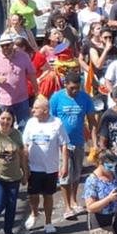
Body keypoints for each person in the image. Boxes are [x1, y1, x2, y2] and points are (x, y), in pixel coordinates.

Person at [48, 71, 95, 220]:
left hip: (79, 142)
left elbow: (92, 121)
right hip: (62, 144)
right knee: (65, 174)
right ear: (65, 85)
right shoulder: (56, 98)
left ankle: (74, 201)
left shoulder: (85, 98)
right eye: (72, 88)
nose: (75, 91)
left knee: (76, 174)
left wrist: (95, 142)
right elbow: (51, 120)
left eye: (77, 88)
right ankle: (67, 206)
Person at [22, 96, 69, 234]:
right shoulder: (30, 123)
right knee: (33, 195)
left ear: (45, 110)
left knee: (48, 195)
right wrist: (24, 167)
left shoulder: (57, 123)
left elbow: (64, 144)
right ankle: (34, 213)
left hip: (50, 167)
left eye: (36, 108)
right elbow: (24, 144)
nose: (33, 110)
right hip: (34, 167)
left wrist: (64, 164)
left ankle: (48, 222)